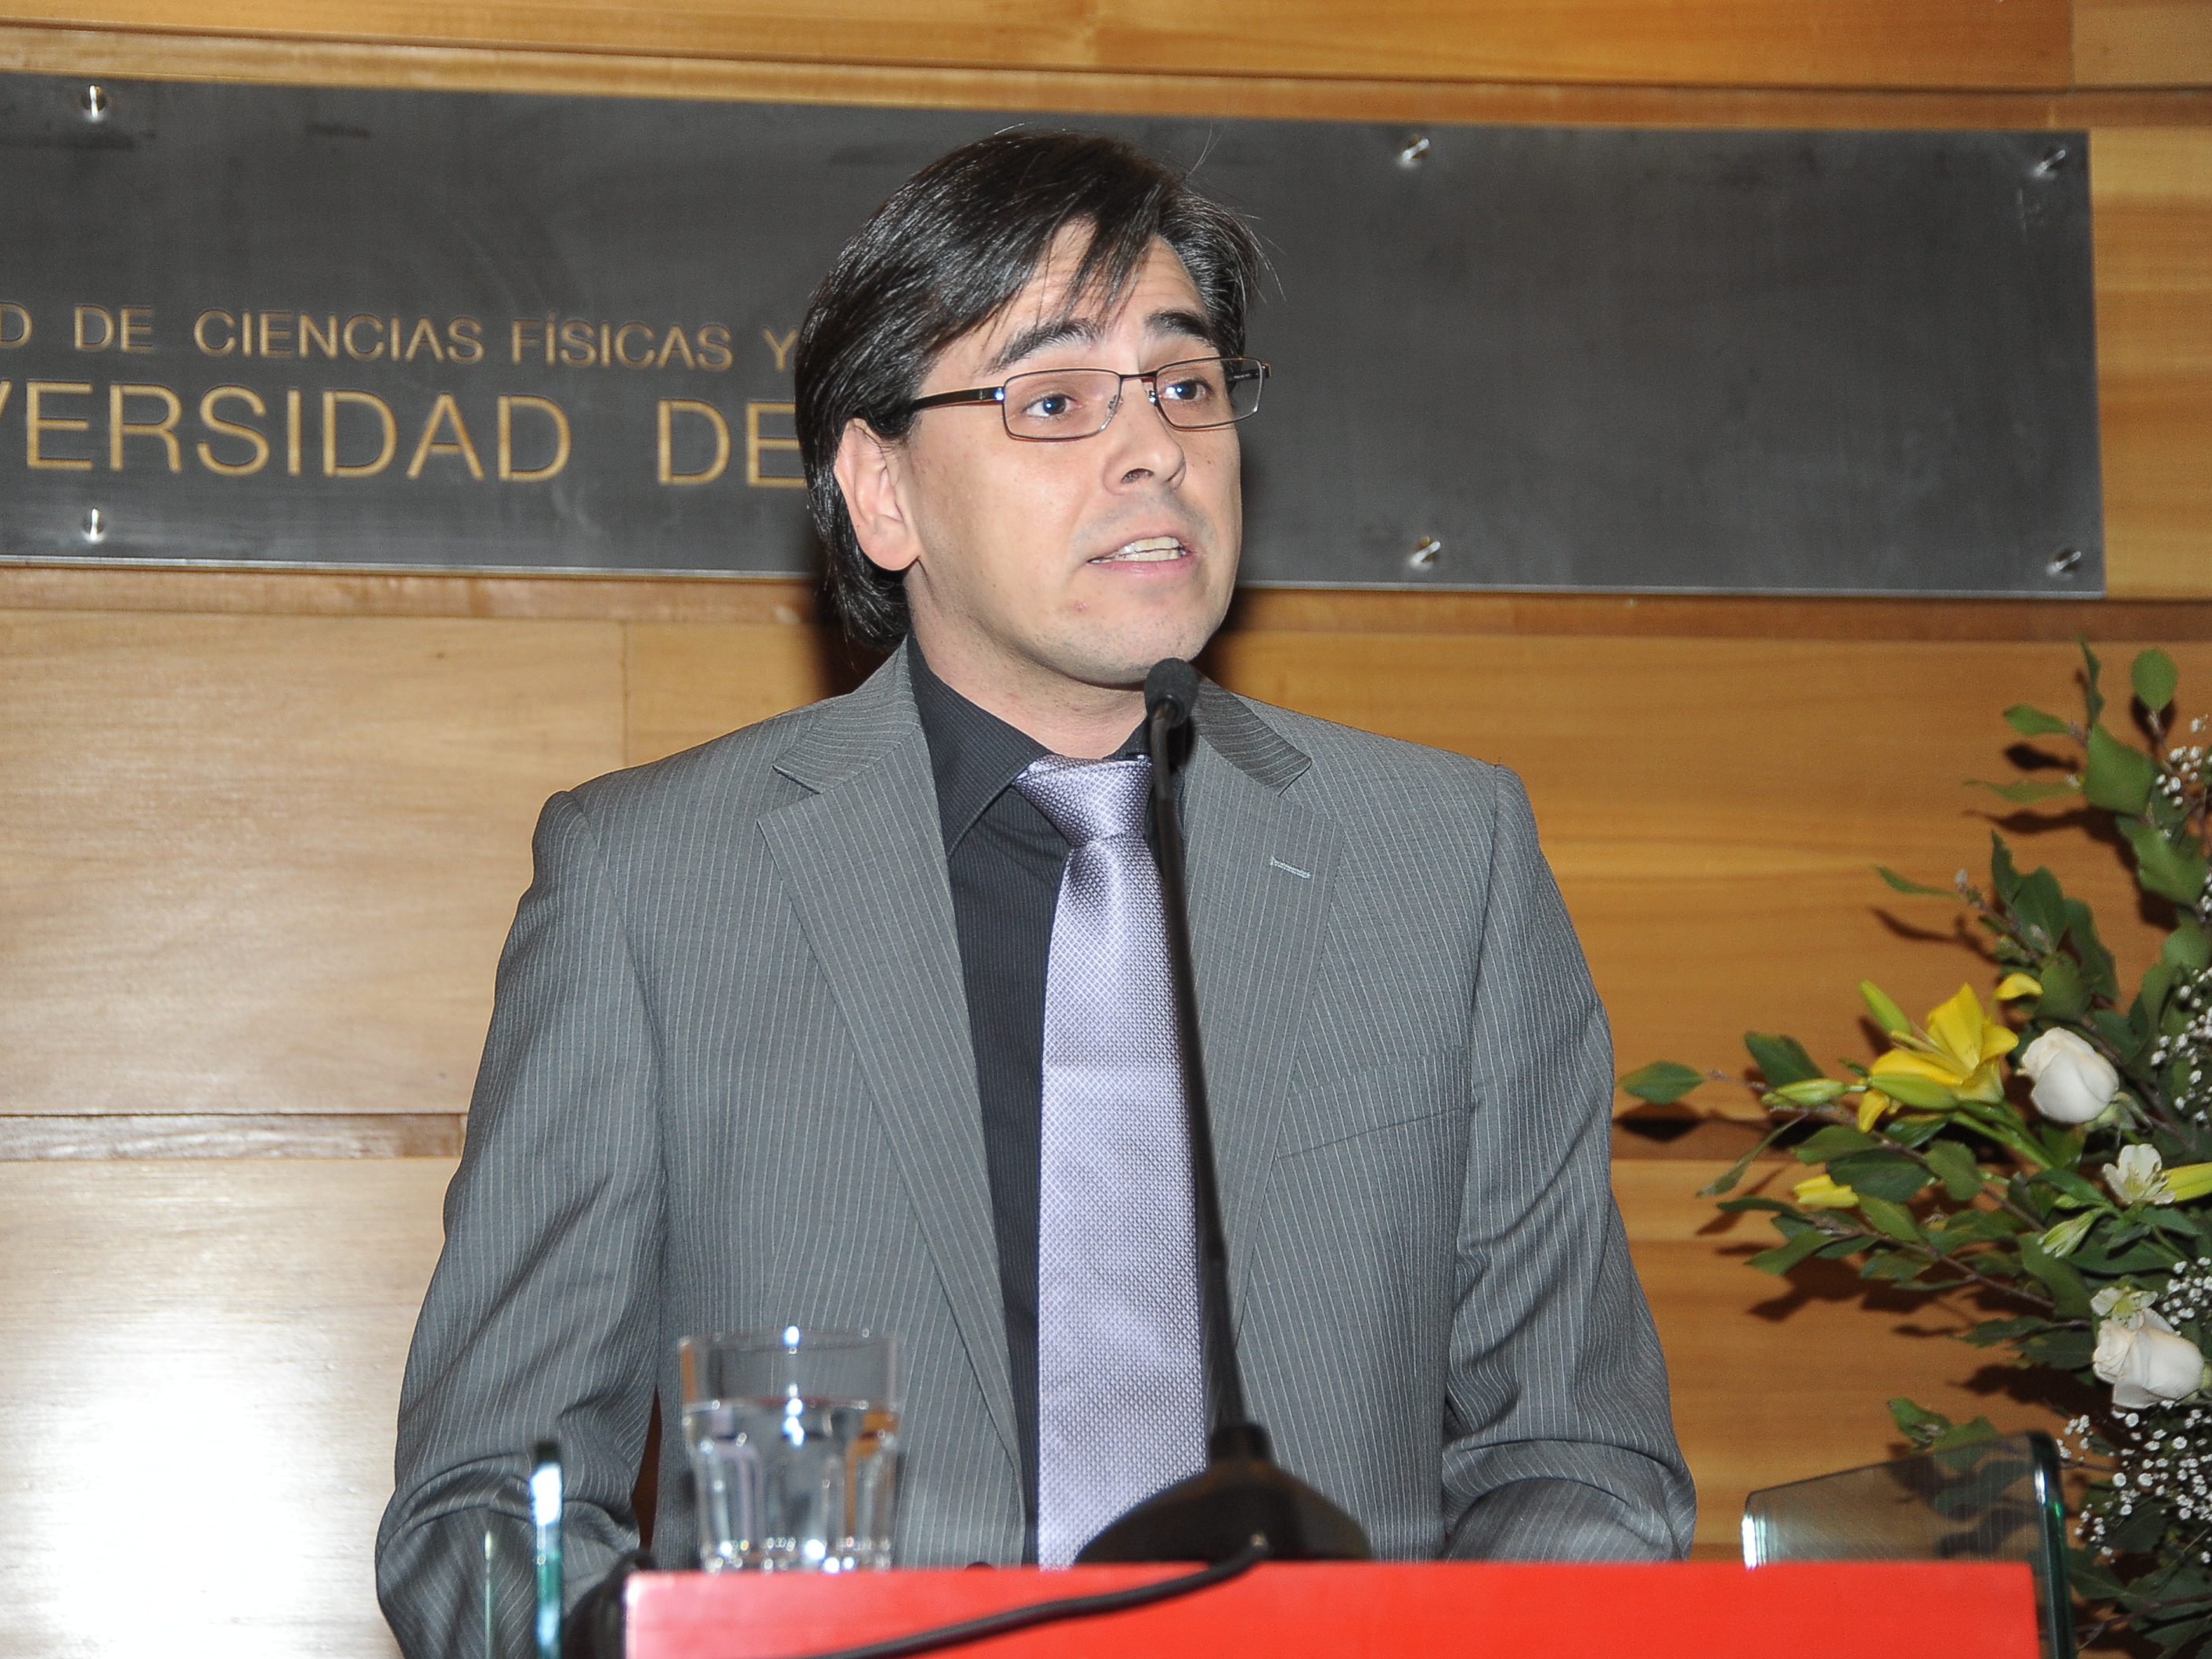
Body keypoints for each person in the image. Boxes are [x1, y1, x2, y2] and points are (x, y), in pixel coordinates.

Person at [376, 130, 1695, 1654]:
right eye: (1055, 400)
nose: (1154, 451)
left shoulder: (1442, 861)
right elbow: (486, 1514)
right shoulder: (652, 889)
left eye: (1184, 386)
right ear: (883, 492)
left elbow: (1577, 1460)